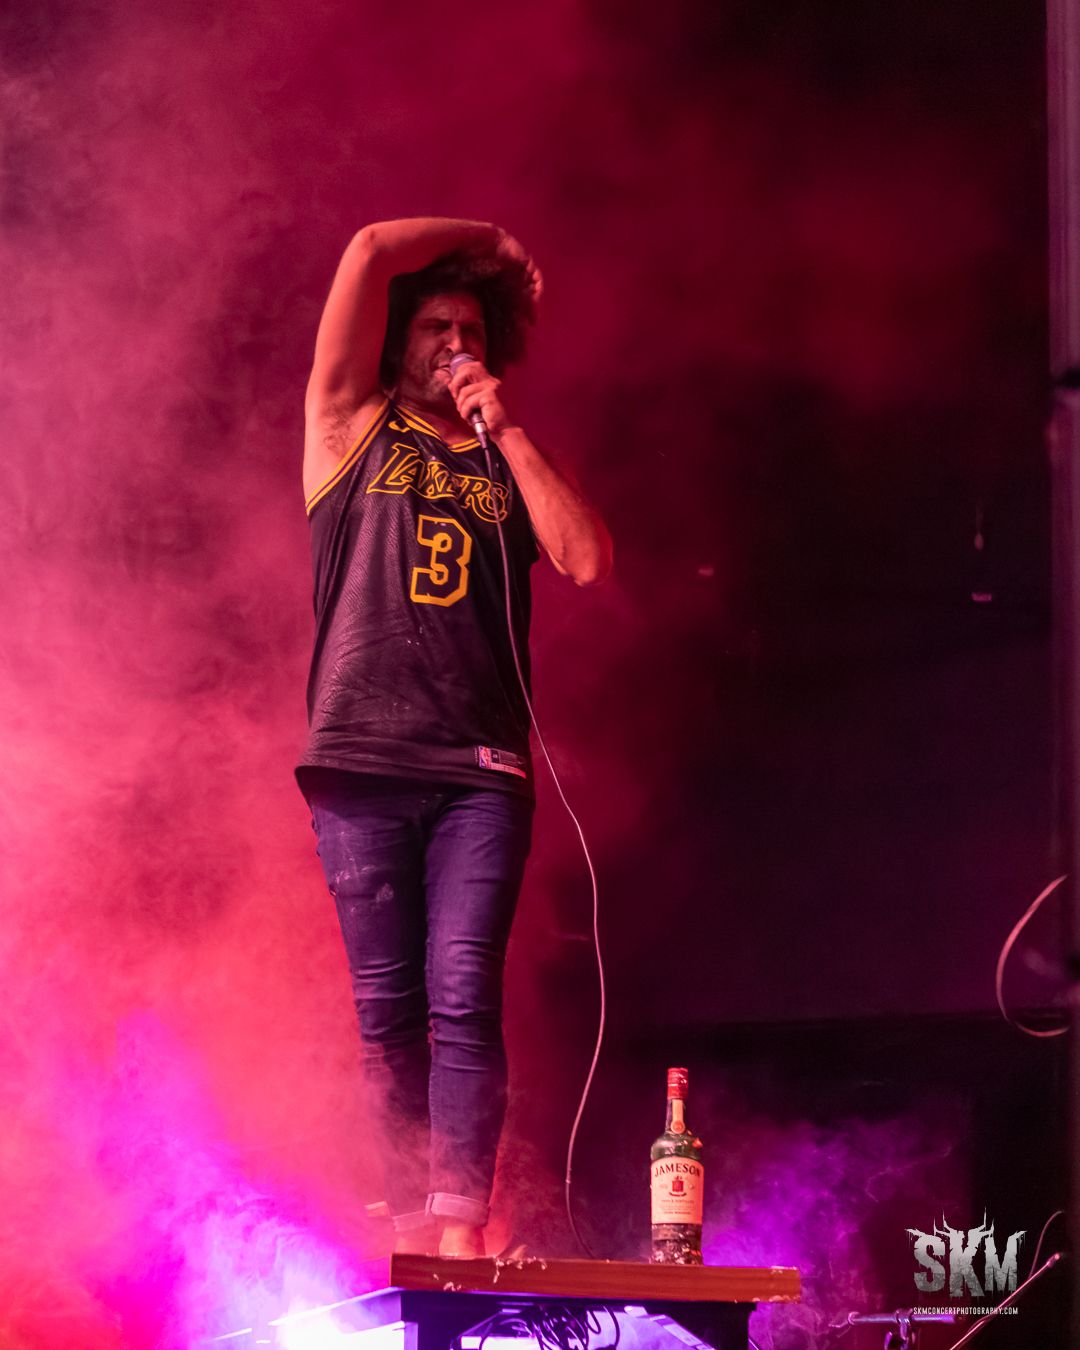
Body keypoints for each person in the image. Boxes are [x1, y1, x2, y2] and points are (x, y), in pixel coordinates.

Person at [296, 218, 612, 1258]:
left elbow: (586, 560)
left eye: (472, 330)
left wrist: (507, 429)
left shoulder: (505, 453)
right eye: (436, 327)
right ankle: (408, 1230)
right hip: (362, 758)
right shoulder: (349, 427)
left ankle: (461, 1235)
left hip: (482, 768)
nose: (455, 345)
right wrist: (490, 240)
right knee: (388, 1010)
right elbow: (367, 249)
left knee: (465, 989)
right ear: (399, 343)